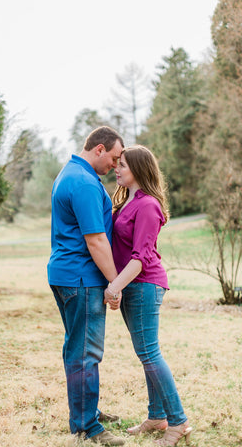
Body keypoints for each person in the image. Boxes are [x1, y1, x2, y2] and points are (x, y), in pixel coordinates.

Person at [104, 145, 192, 447]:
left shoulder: (148, 205)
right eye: (118, 164)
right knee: (145, 354)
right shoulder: (128, 200)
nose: (117, 169)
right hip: (132, 285)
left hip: (144, 284)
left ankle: (178, 421)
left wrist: (114, 286)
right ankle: (157, 416)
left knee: (150, 353)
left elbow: (140, 257)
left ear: (139, 170)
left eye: (124, 166)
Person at [47, 126, 125, 446]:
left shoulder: (72, 173)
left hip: (66, 275)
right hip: (81, 279)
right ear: (99, 149)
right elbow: (95, 240)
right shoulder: (83, 182)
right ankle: (86, 426)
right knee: (86, 352)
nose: (115, 165)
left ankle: (85, 410)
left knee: (77, 348)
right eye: (115, 158)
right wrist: (114, 282)